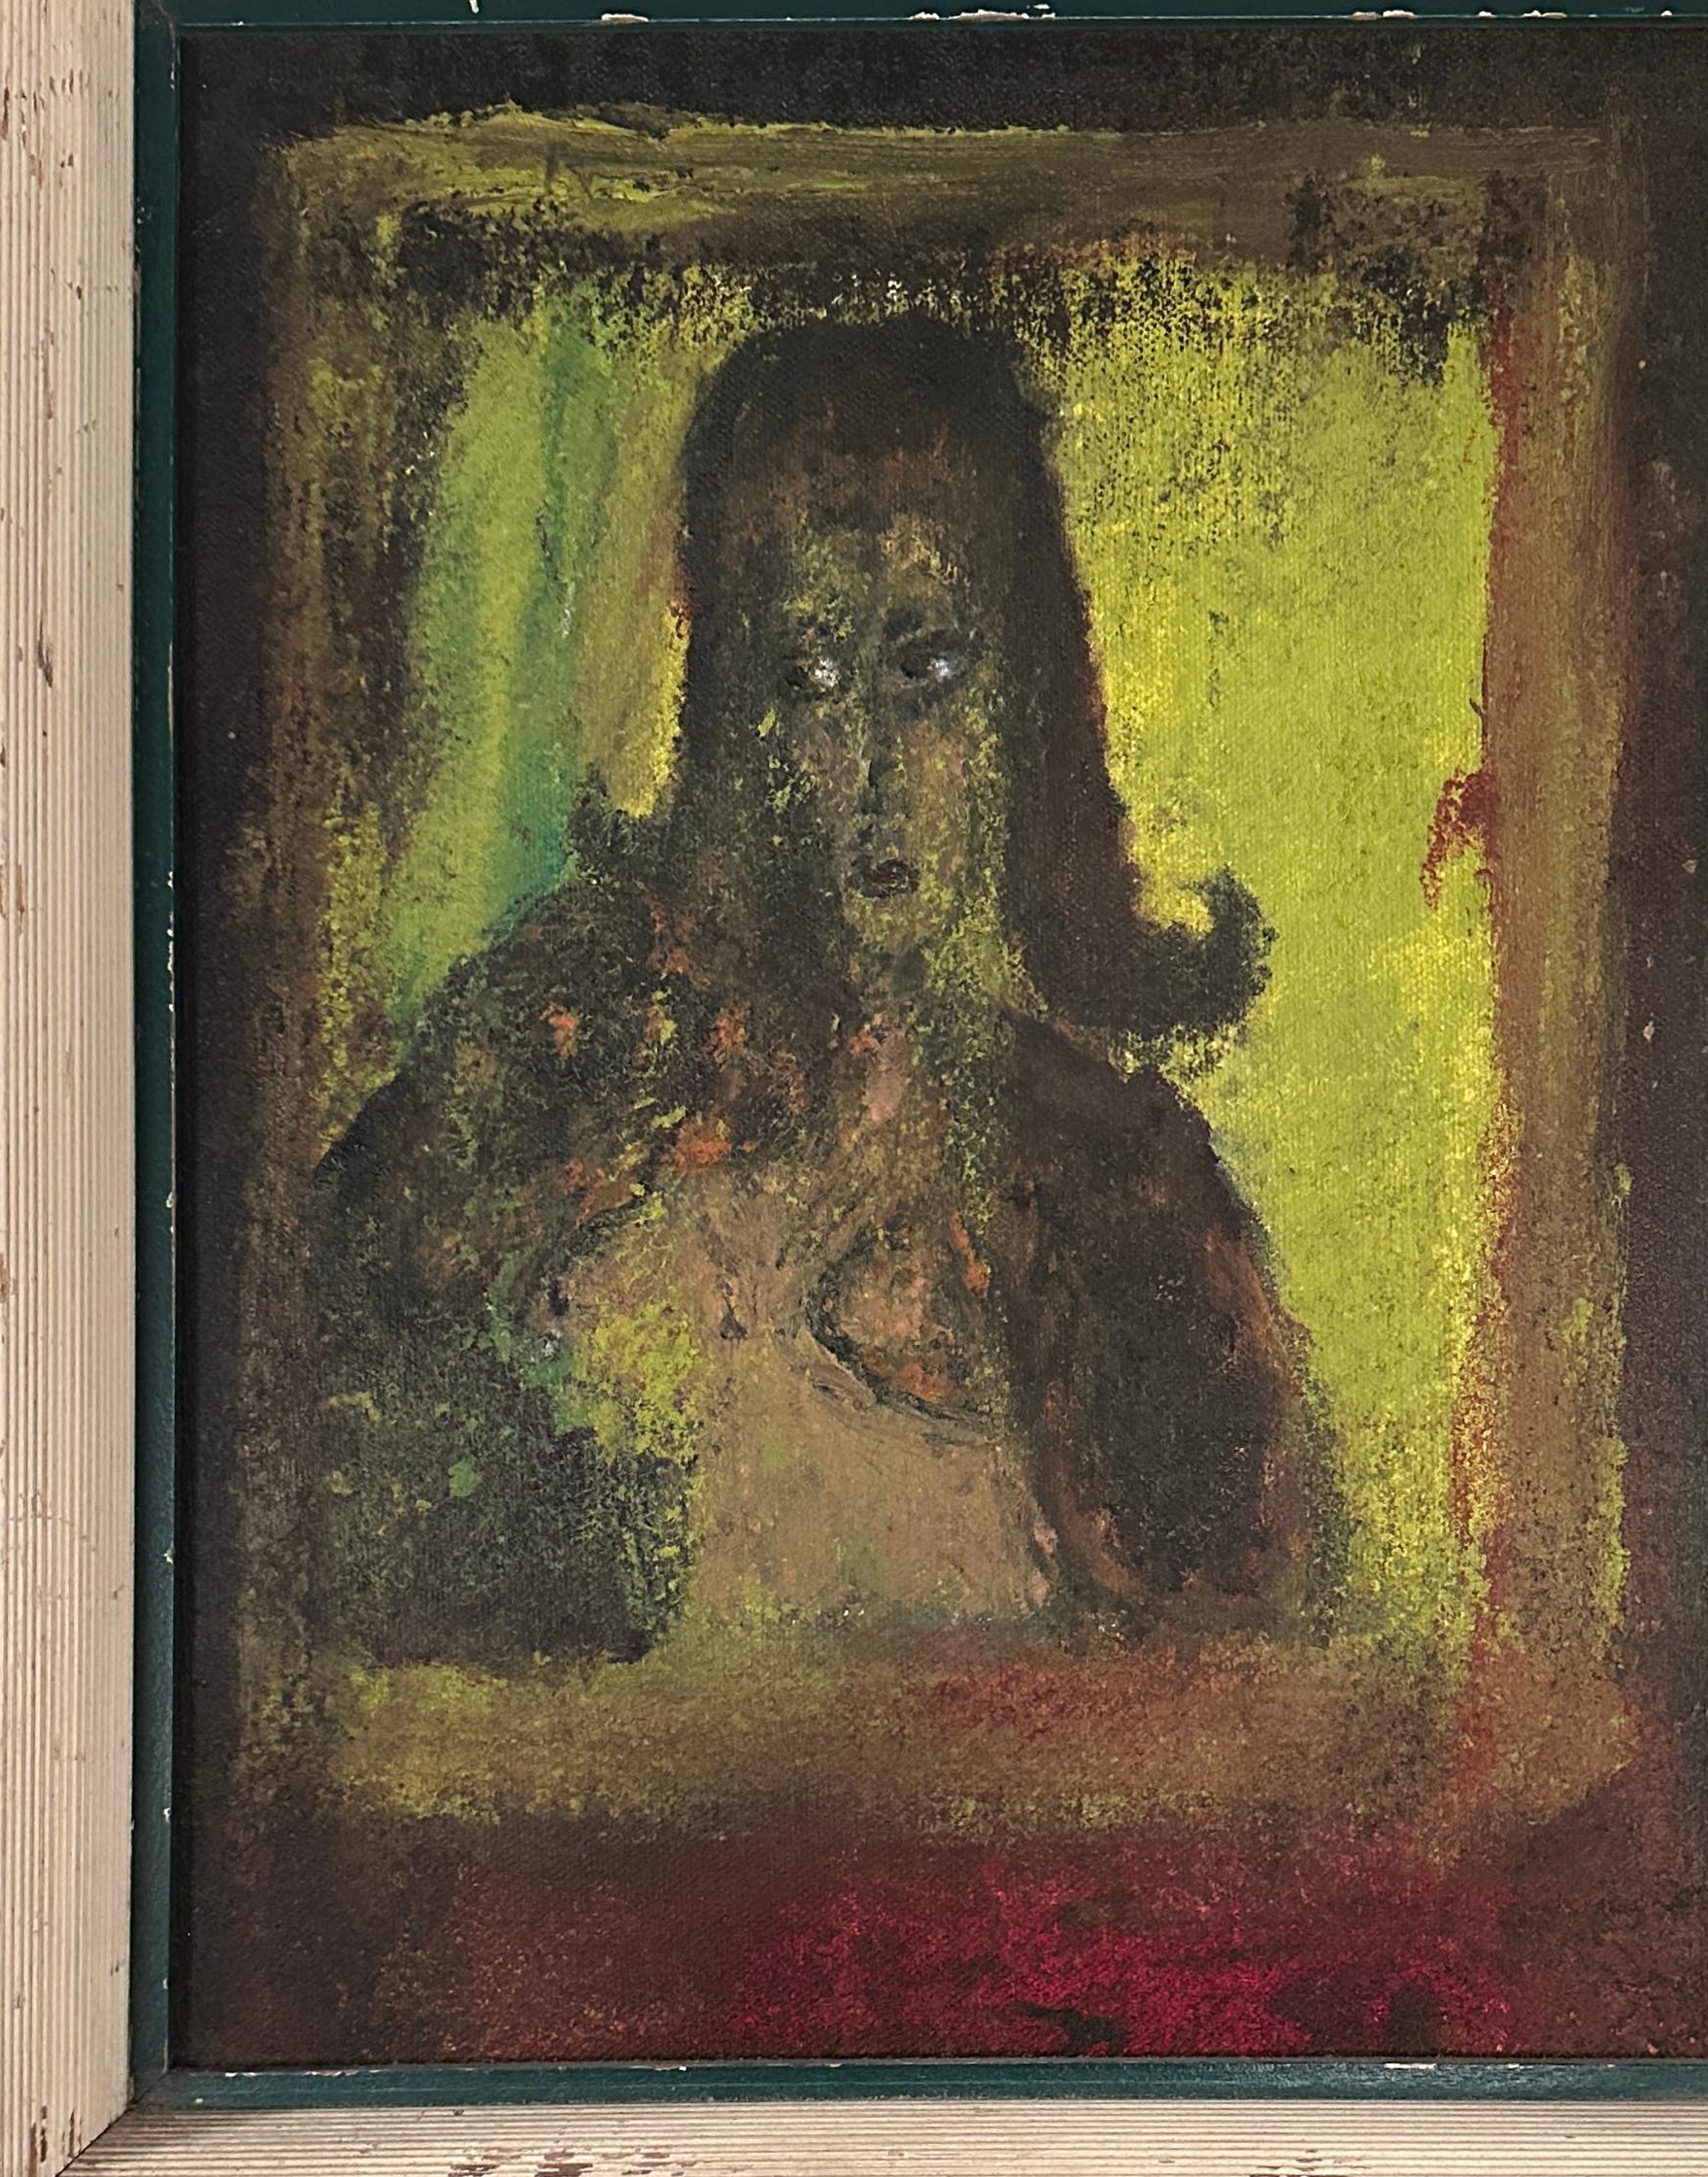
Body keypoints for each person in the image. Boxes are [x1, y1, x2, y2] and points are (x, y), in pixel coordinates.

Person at [310, 318, 1335, 1661]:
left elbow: (1240, 1673)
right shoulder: (584, 1032)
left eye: (927, 671)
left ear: (1024, 702)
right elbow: (305, 1393)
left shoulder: (1114, 1184)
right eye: (810, 677)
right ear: (740, 716)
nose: (872, 761)